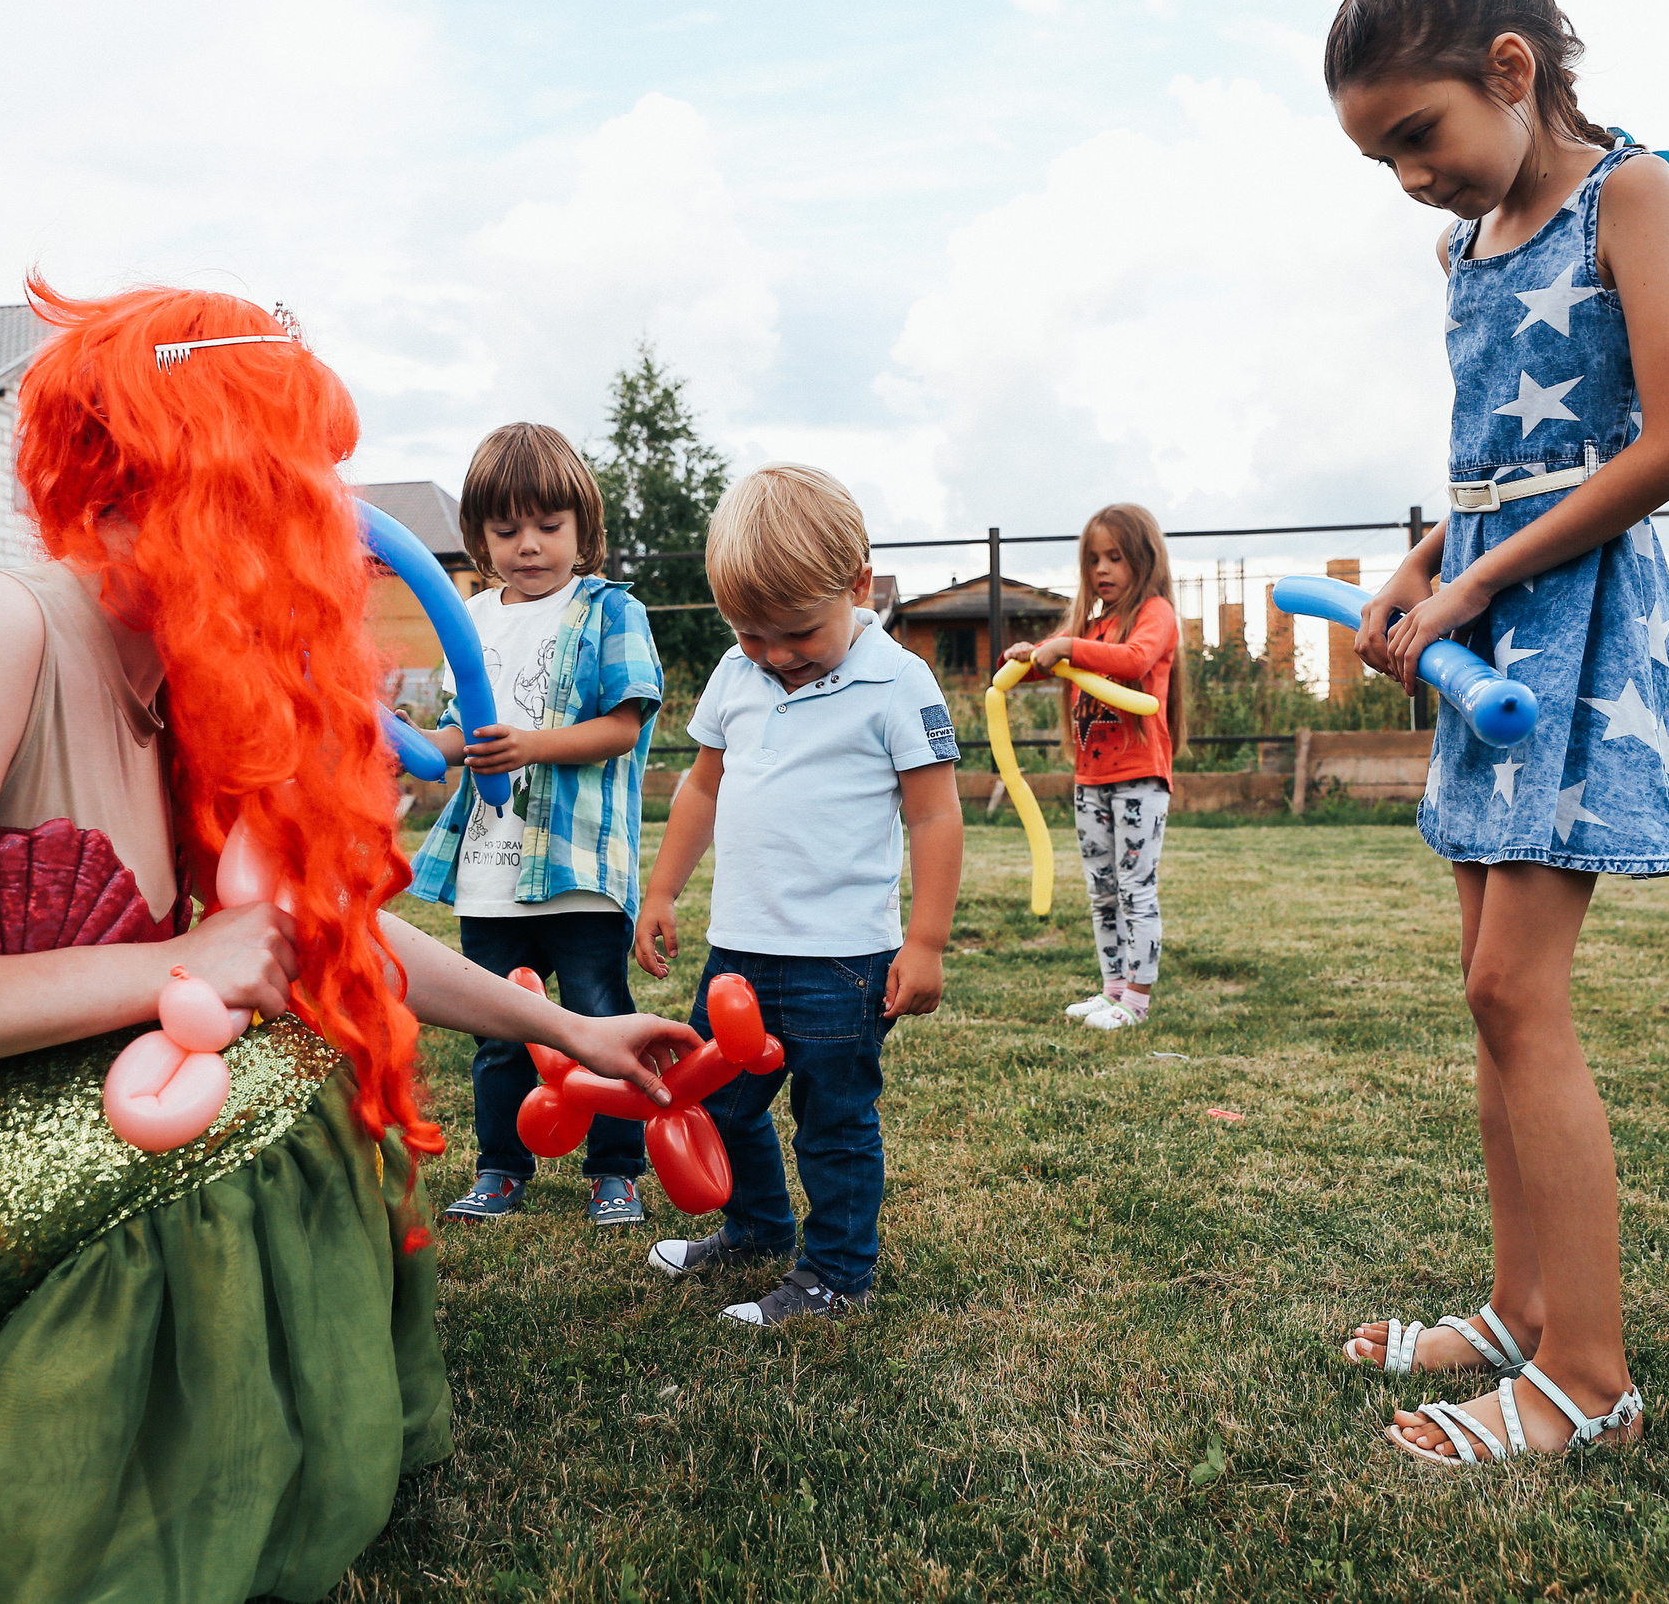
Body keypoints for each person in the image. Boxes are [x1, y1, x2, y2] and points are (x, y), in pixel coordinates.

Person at [0, 282, 691, 1601]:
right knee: (230, 1093)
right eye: (271, 476)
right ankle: (33, 1502)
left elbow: (320, 942)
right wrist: (167, 964)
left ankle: (164, 1444)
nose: (321, 518)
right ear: (127, 494)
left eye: (315, 477)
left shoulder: (182, 681)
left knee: (295, 1053)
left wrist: (568, 1026)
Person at [1326, 0, 1669, 1465]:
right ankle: (1518, 1307)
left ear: (1510, 69)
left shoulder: (1633, 196)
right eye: (1379, 157)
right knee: (1484, 997)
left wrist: (1481, 587)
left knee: (1514, 994)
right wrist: (1419, 570)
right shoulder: (1465, 253)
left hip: (1576, 641)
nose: (1408, 177)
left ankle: (1591, 1373)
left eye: (1415, 135)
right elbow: (1491, 473)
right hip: (1484, 632)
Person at [631, 464, 962, 1325]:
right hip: (739, 950)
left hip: (842, 963)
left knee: (832, 1121)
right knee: (718, 1100)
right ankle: (757, 1229)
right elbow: (701, 790)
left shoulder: (898, 682)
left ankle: (837, 1274)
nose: (774, 654)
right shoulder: (735, 678)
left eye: (798, 632)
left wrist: (923, 941)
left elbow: (933, 817)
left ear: (858, 588)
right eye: (750, 633)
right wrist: (663, 888)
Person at [410, 423, 663, 1229]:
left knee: (597, 1015)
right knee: (497, 1036)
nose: (529, 545)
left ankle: (615, 1169)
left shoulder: (610, 611)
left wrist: (534, 745)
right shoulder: (471, 620)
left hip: (580, 869)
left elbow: (624, 726)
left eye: (548, 526)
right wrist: (415, 748)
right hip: (491, 870)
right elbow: (466, 730)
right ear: (479, 537)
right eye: (507, 528)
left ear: (583, 528)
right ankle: (500, 1168)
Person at [1005, 503, 1185, 1033]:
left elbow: (1133, 661)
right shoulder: (1089, 626)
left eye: (1115, 558)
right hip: (1091, 779)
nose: (1101, 570)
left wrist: (1064, 646)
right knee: (1102, 890)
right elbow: (1048, 664)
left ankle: (1137, 1000)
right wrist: (1024, 657)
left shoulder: (1155, 614)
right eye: (1093, 560)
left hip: (1139, 776)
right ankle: (1111, 990)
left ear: (1144, 561)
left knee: (1135, 888)